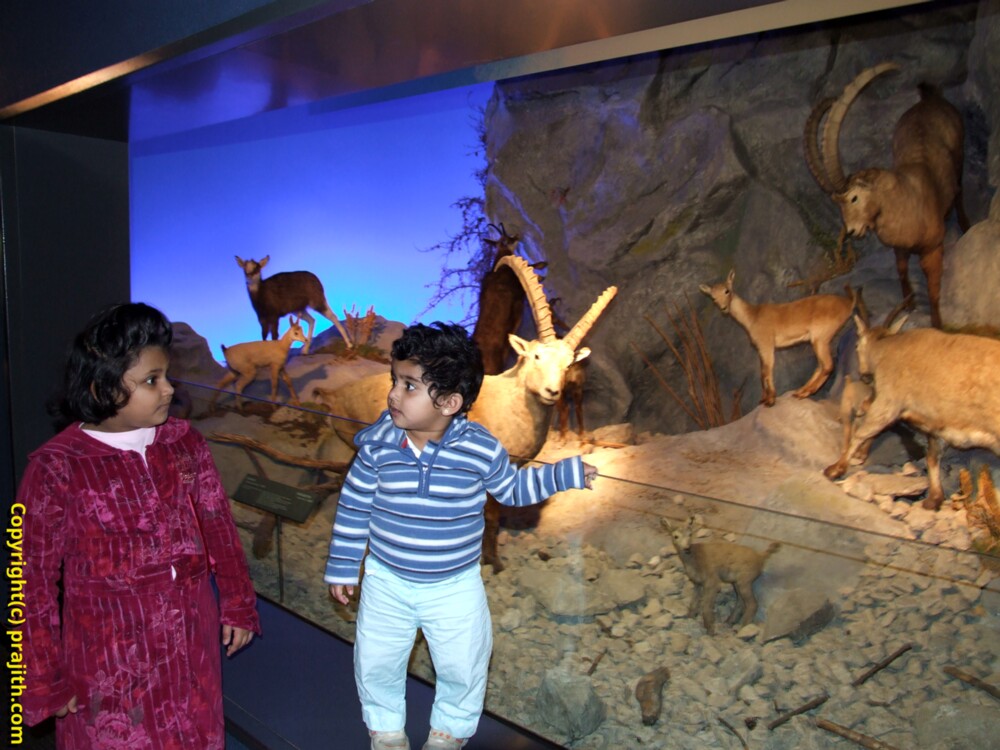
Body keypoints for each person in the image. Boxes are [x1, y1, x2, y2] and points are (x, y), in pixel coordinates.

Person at [325, 322, 597, 750]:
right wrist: (343, 565)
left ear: (450, 402)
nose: (392, 394)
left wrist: (564, 474)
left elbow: (512, 489)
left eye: (408, 386)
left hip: (454, 585)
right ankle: (386, 731)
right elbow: (355, 504)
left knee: (464, 664)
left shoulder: (480, 448)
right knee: (376, 660)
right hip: (386, 580)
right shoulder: (378, 445)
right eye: (395, 380)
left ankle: (448, 733)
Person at [17, 302, 261, 749]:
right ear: (103, 387)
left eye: (166, 375)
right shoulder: (56, 468)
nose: (168, 388)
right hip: (108, 661)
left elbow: (218, 527)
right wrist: (42, 678)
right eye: (152, 380)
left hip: (191, 643)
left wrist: (238, 603)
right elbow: (29, 581)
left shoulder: (184, 443)